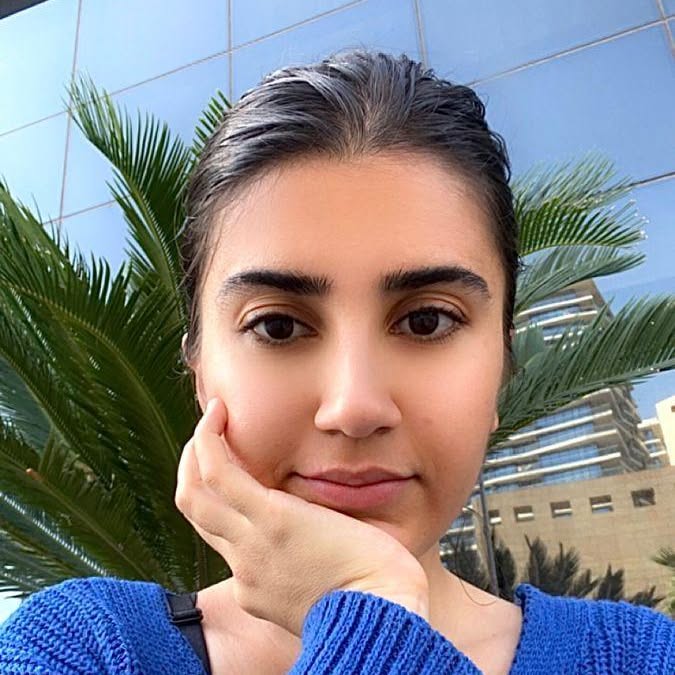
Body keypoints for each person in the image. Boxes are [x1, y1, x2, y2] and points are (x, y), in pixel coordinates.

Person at [0, 48, 673, 675]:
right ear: (200, 374)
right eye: (278, 325)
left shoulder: (638, 658)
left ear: (502, 364)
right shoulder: (81, 648)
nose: (354, 406)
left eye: (427, 320)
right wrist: (370, 609)